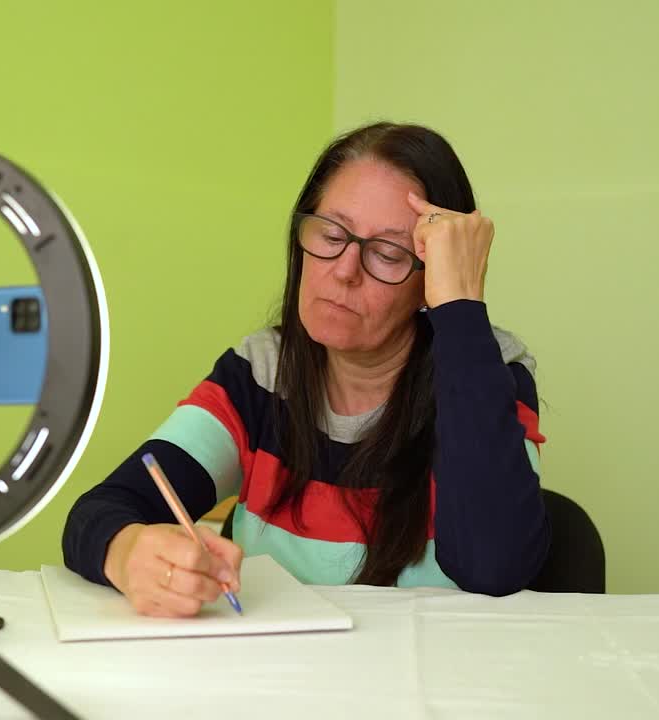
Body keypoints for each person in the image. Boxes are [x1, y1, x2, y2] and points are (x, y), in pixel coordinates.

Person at [63, 122, 549, 617]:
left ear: (431, 280)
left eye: (387, 253)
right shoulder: (262, 374)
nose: (344, 270)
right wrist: (129, 554)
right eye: (331, 234)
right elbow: (101, 510)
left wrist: (461, 306)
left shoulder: (487, 370)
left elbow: (495, 567)